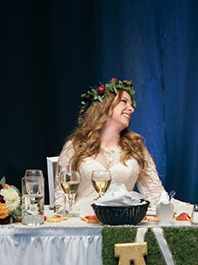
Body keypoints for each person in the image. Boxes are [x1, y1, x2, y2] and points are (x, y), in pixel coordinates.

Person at [55, 78, 175, 207]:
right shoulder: (76, 145)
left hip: (122, 222)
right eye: (124, 102)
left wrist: (186, 208)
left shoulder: (135, 147)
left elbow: (155, 194)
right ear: (104, 106)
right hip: (82, 221)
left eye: (131, 104)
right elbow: (61, 197)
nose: (131, 109)